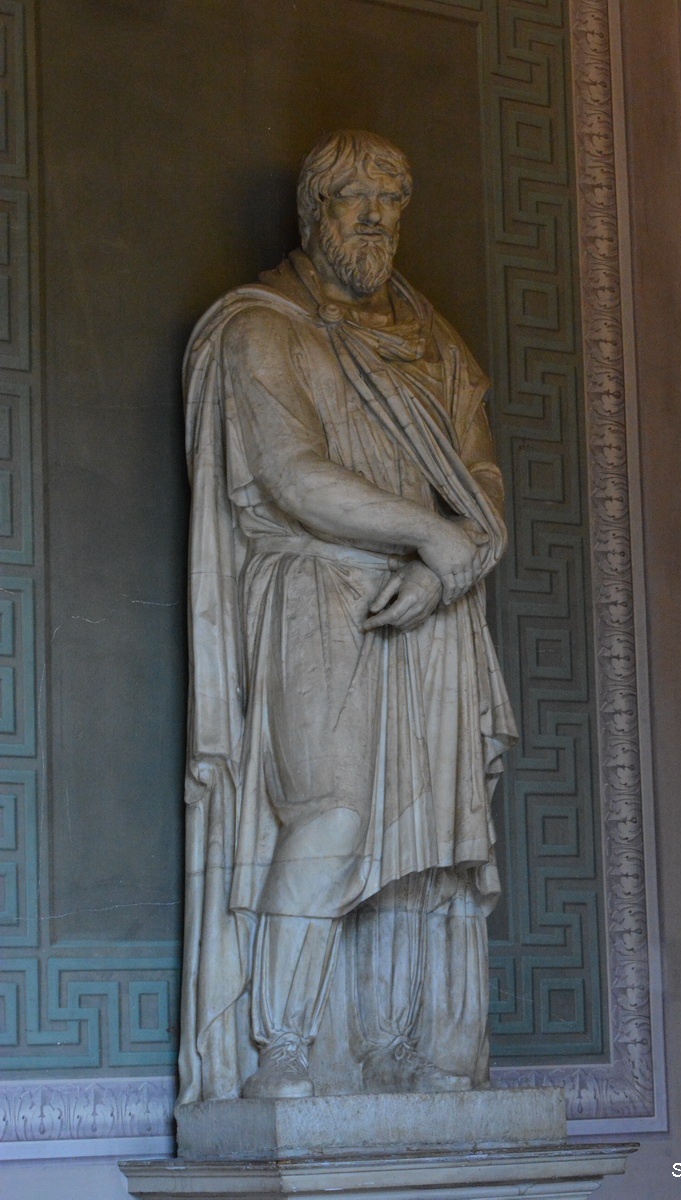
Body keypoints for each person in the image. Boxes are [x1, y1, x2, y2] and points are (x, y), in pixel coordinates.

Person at [178, 130, 517, 1105]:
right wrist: (431, 536)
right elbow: (292, 476)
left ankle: (401, 1050)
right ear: (312, 212)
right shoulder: (260, 327)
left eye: (389, 200)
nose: (373, 218)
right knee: (330, 816)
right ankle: (281, 1048)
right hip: (317, 591)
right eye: (352, 198)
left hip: (431, 609)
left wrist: (447, 569)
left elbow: (481, 480)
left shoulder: (436, 345)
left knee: (424, 848)